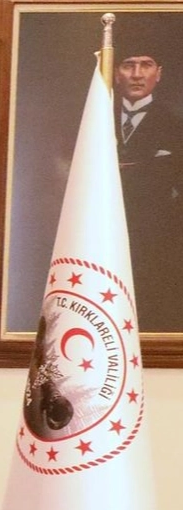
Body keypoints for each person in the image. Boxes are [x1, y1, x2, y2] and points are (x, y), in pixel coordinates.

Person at [114, 46, 183, 332]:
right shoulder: (92, 121)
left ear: (159, 73)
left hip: (156, 249)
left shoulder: (175, 126)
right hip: (103, 239)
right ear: (115, 73)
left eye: (146, 65)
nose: (137, 74)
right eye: (128, 65)